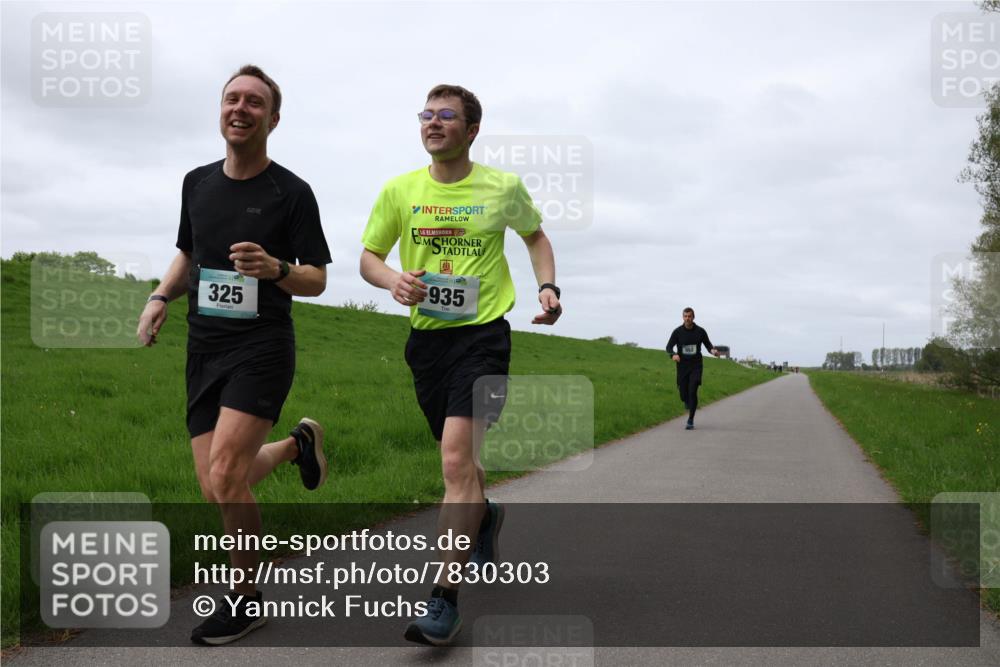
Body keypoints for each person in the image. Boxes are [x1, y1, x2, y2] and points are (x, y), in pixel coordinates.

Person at [136, 64, 332, 646]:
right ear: (220, 110)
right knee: (220, 483)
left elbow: (317, 279)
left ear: (273, 119)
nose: (240, 109)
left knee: (225, 474)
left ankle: (245, 599)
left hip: (262, 347)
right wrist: (159, 297)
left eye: (254, 102)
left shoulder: (291, 192)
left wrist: (276, 269)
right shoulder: (196, 183)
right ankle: (298, 445)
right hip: (204, 349)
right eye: (232, 99)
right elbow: (188, 252)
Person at [359, 84, 562, 646]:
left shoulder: (502, 187)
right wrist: (392, 280)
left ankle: (443, 600)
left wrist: (547, 286)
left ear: (471, 130)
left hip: (483, 338)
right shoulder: (400, 190)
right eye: (426, 114)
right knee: (464, 466)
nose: (433, 122)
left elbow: (536, 236)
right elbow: (369, 257)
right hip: (426, 344)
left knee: (454, 461)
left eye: (446, 115)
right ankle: (486, 516)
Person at [666, 307, 719, 430]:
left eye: (689, 316)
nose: (687, 318)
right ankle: (686, 401)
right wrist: (673, 355)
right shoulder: (677, 332)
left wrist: (713, 351)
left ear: (693, 317)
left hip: (696, 365)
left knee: (692, 390)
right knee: (683, 395)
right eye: (685, 316)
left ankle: (690, 420)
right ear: (682, 317)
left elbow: (708, 345)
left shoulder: (700, 331)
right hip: (682, 366)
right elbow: (669, 347)